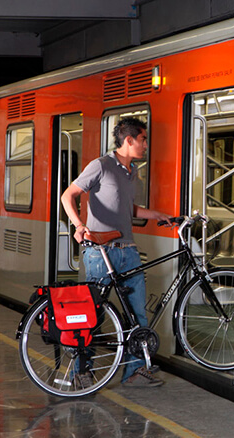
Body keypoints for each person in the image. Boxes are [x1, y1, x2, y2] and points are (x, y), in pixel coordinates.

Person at [61, 117, 171, 388]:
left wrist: (158, 215)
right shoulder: (100, 165)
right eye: (143, 139)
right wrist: (79, 225)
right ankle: (81, 372)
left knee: (138, 316)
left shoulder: (131, 171)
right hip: (100, 252)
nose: (146, 145)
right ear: (129, 140)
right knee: (91, 315)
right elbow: (68, 195)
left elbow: (128, 208)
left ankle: (134, 372)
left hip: (128, 250)